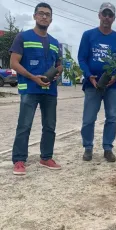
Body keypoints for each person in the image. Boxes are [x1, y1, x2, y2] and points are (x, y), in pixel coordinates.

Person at [9, 2, 63, 175]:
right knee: (24, 125)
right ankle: (19, 160)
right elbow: (13, 63)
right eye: (41, 13)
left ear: (51, 19)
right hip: (30, 89)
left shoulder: (55, 42)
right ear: (34, 16)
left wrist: (57, 73)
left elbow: (59, 64)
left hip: (50, 90)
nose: (44, 16)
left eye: (47, 14)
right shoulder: (23, 37)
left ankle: (46, 157)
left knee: (50, 126)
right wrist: (33, 77)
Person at [78, 2, 116, 162]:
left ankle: (107, 148)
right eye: (104, 14)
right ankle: (88, 148)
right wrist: (89, 75)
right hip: (92, 84)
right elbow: (82, 58)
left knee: (112, 117)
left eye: (110, 15)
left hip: (112, 86)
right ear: (99, 15)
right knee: (88, 119)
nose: (107, 17)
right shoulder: (88, 35)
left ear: (114, 18)